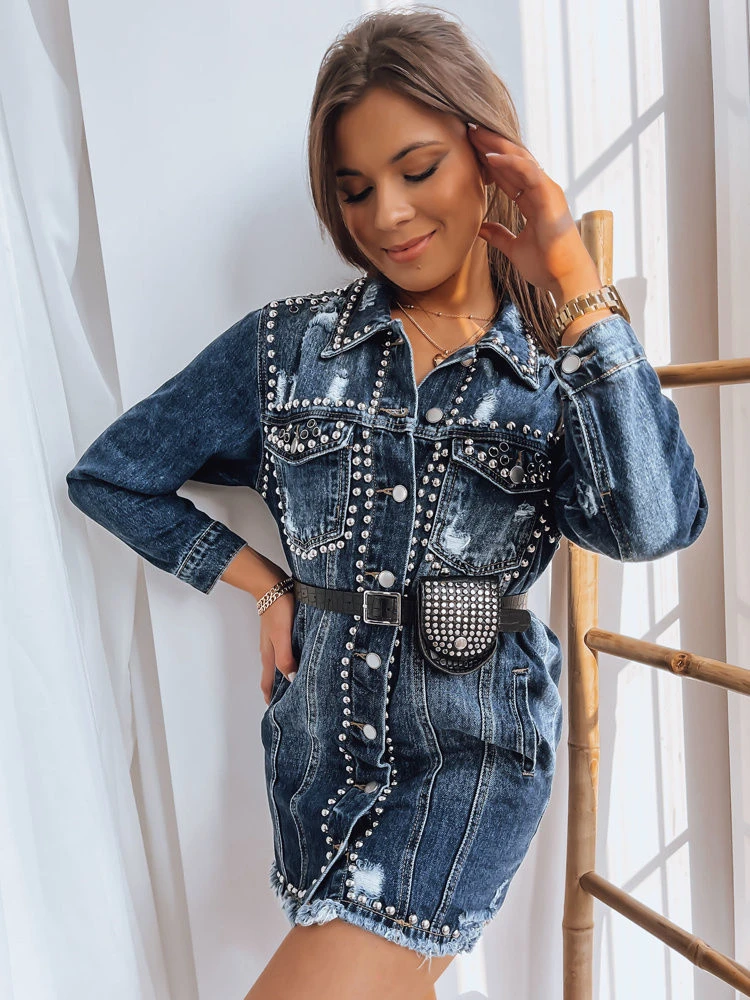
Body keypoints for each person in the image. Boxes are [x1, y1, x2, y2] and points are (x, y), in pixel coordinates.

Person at [65, 7, 708, 999]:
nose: (389, 216)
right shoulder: (288, 348)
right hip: (319, 766)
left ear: (488, 157)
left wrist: (577, 284)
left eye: (418, 169)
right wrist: (265, 585)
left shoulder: (555, 369)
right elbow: (114, 475)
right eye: (356, 189)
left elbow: (656, 524)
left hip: (474, 760)